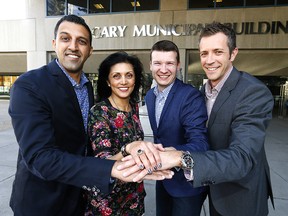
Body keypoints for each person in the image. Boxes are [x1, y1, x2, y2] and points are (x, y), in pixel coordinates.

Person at [8, 14, 173, 216]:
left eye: (82, 41)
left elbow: (84, 145)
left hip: (80, 196)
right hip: (43, 202)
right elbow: (40, 158)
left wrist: (147, 162)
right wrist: (119, 160)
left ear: (90, 50)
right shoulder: (30, 85)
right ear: (54, 43)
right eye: (66, 38)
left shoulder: (86, 87)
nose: (73, 47)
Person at [119, 22, 275, 216]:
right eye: (204, 53)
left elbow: (243, 158)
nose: (209, 60)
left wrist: (177, 156)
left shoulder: (252, 91)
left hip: (237, 192)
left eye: (218, 52)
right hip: (203, 181)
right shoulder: (202, 92)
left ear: (233, 53)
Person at [145, 40, 209, 216]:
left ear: (178, 65)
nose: (163, 69)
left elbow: (200, 144)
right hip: (163, 180)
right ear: (150, 65)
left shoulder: (190, 96)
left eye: (169, 63)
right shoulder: (150, 96)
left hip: (187, 186)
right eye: (158, 63)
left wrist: (172, 153)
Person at [85, 52, 147, 215]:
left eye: (129, 75)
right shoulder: (100, 112)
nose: (124, 81)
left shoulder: (133, 107)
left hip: (134, 196)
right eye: (116, 76)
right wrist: (127, 149)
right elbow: (102, 164)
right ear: (108, 81)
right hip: (108, 202)